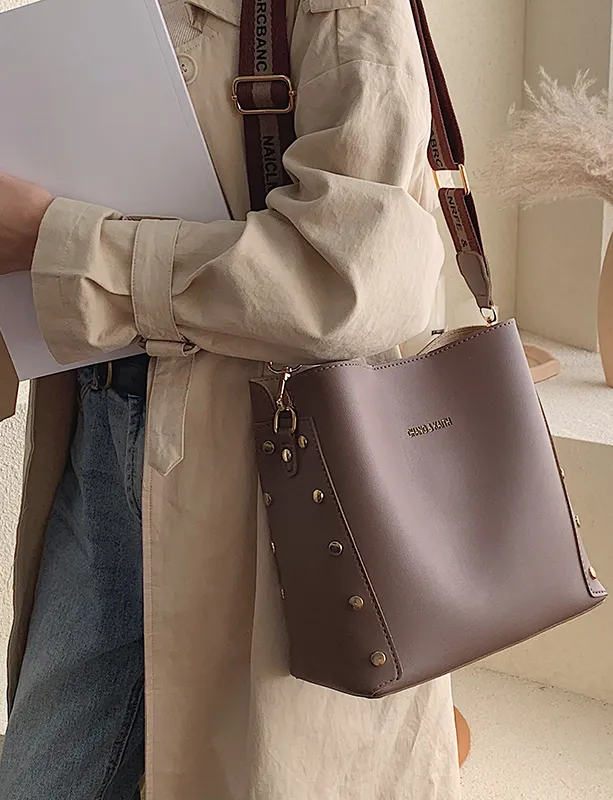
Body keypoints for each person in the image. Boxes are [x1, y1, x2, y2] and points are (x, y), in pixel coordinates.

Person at [0, 0, 460, 797]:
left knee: (270, 767)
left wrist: (64, 245)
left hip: (279, 462)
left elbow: (352, 277)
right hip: (96, 428)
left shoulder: (343, 12)